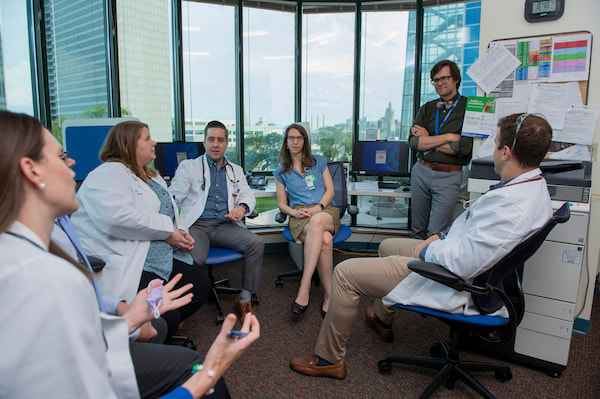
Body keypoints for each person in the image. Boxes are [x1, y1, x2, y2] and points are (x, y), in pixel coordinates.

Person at [0, 110, 260, 398]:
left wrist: (125, 317)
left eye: (221, 140)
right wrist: (209, 370)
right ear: (32, 170)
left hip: (193, 238)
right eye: (62, 156)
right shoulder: (39, 274)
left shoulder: (40, 246)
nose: (72, 162)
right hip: (146, 253)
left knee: (206, 276)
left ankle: (209, 311)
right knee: (197, 369)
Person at [289, 113, 553, 379]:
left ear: (505, 152)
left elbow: (464, 263)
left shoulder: (512, 207)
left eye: (494, 144)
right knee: (388, 246)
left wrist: (426, 250)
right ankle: (382, 318)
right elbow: (474, 234)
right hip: (461, 261)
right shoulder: (533, 188)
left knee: (344, 274)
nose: (492, 151)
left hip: (456, 280)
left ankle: (328, 360)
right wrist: (439, 237)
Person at [72, 121, 211, 339]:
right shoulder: (108, 174)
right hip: (136, 258)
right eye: (147, 139)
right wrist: (168, 232)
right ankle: (150, 341)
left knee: (200, 285)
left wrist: (181, 231)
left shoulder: (152, 176)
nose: (153, 142)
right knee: (166, 316)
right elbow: (118, 217)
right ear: (127, 146)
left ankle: (160, 330)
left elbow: (171, 208)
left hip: (164, 251)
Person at [169, 120, 263, 322]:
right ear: (204, 142)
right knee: (195, 258)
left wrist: (242, 207)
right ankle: (180, 307)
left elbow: (248, 195)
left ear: (227, 143)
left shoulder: (235, 170)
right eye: (211, 139)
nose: (215, 144)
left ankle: (245, 298)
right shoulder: (189, 167)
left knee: (256, 243)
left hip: (224, 225)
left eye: (220, 140)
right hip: (197, 225)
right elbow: (174, 196)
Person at [273, 123, 340, 317]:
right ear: (286, 143)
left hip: (325, 210)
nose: (295, 141)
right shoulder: (281, 171)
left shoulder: (319, 161)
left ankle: (304, 288)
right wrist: (294, 214)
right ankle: (329, 296)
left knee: (318, 221)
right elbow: (282, 204)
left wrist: (318, 208)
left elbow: (331, 190)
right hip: (299, 215)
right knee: (326, 241)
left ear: (305, 141)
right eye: (291, 138)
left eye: (299, 138)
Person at [408, 59, 473, 239]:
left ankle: (429, 266)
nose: (440, 83)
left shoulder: (469, 108)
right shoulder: (427, 108)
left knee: (436, 233)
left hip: (449, 176)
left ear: (456, 79)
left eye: (444, 78)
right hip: (421, 171)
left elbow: (463, 148)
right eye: (436, 80)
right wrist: (449, 137)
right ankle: (411, 267)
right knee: (417, 230)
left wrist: (427, 139)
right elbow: (414, 143)